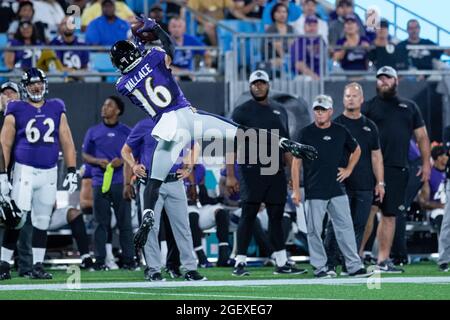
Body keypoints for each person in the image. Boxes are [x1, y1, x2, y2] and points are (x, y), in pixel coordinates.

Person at [109, 16, 317, 252]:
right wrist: (154, 27)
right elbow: (170, 46)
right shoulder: (154, 56)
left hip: (166, 127)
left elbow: (134, 64)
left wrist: (136, 41)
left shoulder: (122, 84)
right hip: (189, 116)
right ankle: (283, 142)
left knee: (153, 182)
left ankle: (148, 214)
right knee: (242, 133)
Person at [0, 68, 78, 280]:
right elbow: (5, 143)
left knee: (42, 220)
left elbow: (67, 139)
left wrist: (72, 169)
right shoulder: (15, 107)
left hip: (49, 171)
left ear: (45, 84)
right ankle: (4, 264)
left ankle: (37, 266)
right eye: (32, 83)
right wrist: (2, 174)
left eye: (39, 82)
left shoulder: (56, 106)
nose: (37, 87)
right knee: (16, 218)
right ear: (25, 87)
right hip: (24, 170)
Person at [227, 70, 307, 277]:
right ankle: (240, 263)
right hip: (251, 168)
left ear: (268, 85)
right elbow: (230, 145)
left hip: (276, 170)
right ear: (250, 86)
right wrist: (231, 175)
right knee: (248, 214)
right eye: (254, 83)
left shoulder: (280, 110)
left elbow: (286, 145)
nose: (258, 86)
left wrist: (291, 174)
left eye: (261, 83)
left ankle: (281, 262)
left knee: (276, 216)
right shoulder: (241, 111)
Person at [291, 94, 371, 278]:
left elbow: (356, 149)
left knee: (346, 228)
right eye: (317, 110)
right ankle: (320, 268)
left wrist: (349, 169)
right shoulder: (305, 133)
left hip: (337, 189)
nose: (320, 114)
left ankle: (353, 266)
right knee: (314, 231)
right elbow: (296, 162)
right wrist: (296, 190)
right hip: (314, 190)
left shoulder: (340, 131)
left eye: (323, 110)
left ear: (330, 112)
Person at [362, 66, 431, 273]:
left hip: (398, 168)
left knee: (390, 215)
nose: (384, 81)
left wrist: (426, 164)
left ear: (396, 81)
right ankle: (355, 258)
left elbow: (422, 137)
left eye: (388, 78)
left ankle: (382, 260)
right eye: (380, 78)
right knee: (368, 212)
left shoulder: (409, 107)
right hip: (371, 168)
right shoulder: (368, 107)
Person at [121, 118, 207, 281]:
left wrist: (188, 167)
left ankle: (190, 269)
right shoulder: (144, 124)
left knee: (183, 227)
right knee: (150, 227)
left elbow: (195, 145)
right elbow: (125, 150)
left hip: (175, 181)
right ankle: (154, 269)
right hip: (151, 182)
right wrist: (133, 166)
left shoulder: (180, 124)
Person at [323, 83, 384, 273]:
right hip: (341, 183)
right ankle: (329, 263)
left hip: (365, 184)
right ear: (343, 99)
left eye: (354, 96)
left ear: (361, 99)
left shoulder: (369, 126)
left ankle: (350, 263)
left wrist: (380, 182)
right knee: (336, 224)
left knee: (359, 224)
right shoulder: (336, 124)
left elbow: (376, 156)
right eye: (347, 96)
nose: (351, 99)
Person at [82, 96, 136, 270]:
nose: (104, 108)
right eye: (104, 105)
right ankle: (100, 261)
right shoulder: (93, 131)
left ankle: (129, 260)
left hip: (121, 182)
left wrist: (122, 160)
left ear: (118, 110)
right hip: (100, 182)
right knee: (100, 223)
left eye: (109, 105)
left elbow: (134, 154)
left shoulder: (127, 131)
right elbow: (85, 155)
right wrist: (98, 161)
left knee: (124, 224)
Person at [418, 145, 447, 233]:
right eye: (446, 155)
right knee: (442, 221)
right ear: (439, 158)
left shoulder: (448, 172)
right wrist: (443, 206)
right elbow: (424, 202)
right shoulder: (429, 175)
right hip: (437, 211)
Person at [290, 15, 326, 80]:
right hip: (303, 76)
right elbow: (298, 64)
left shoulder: (321, 41)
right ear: (304, 27)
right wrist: (314, 76)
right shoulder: (299, 42)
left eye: (314, 25)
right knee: (308, 79)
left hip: (321, 76)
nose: (312, 28)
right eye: (309, 25)